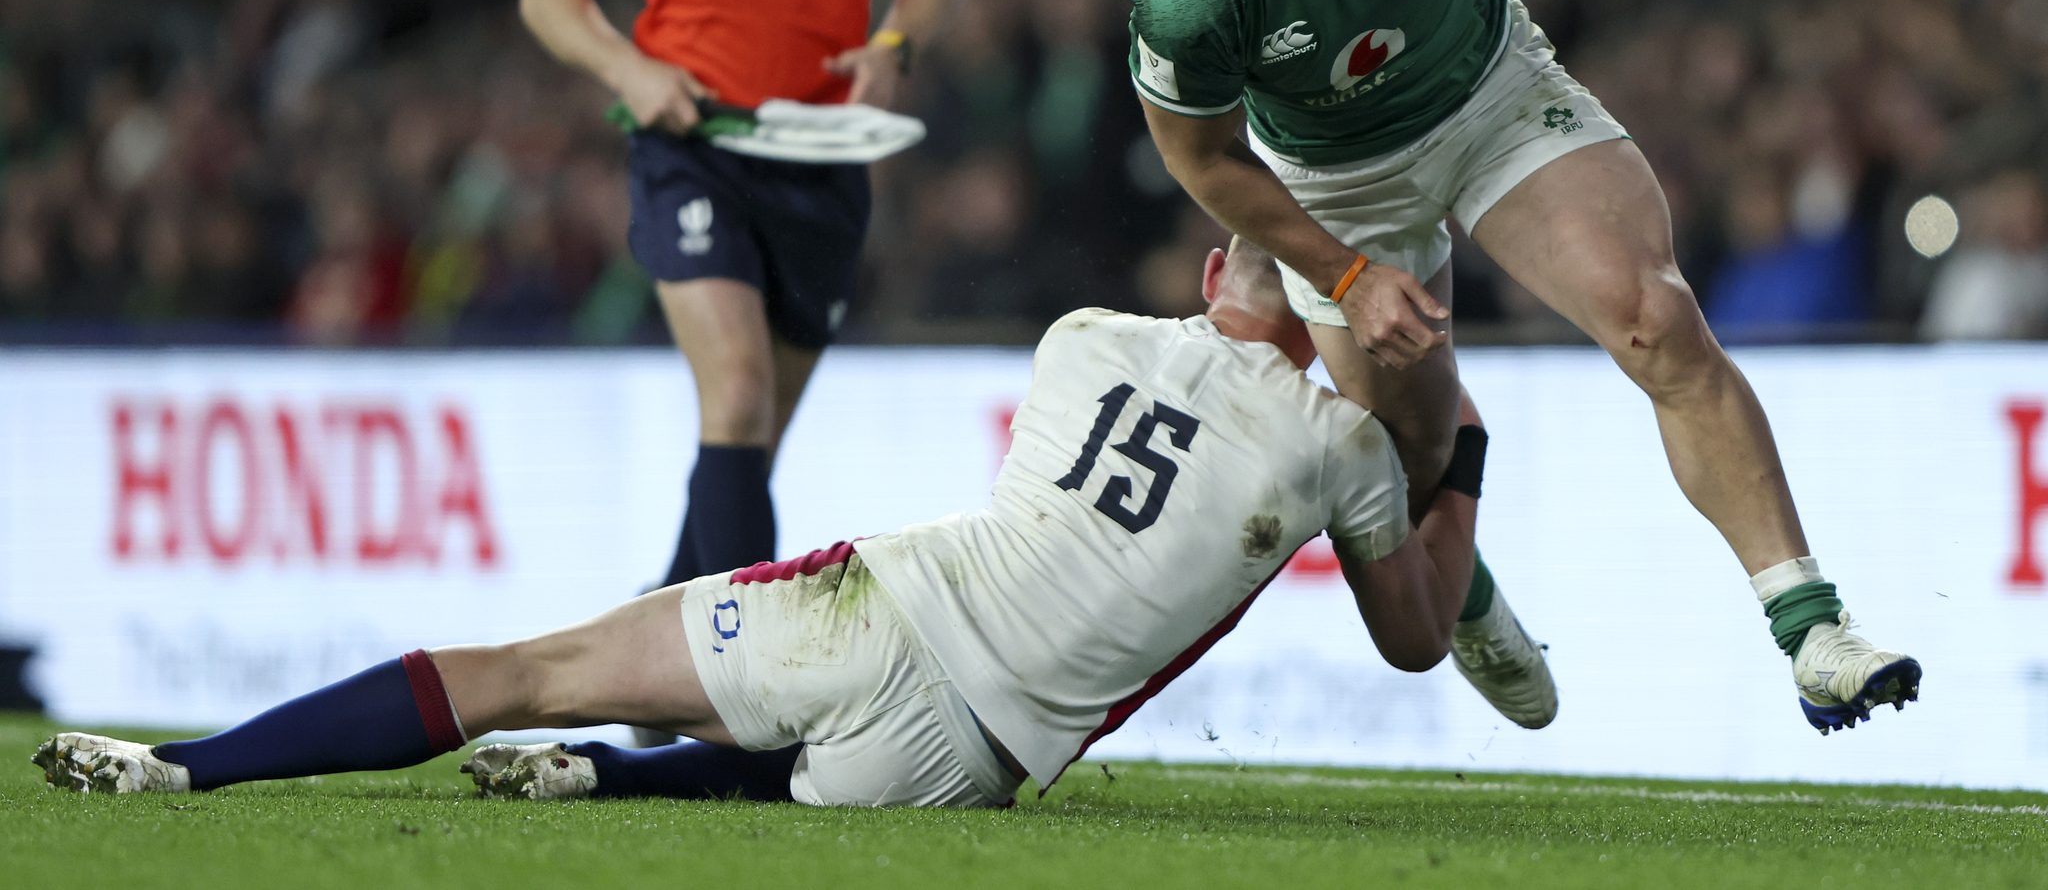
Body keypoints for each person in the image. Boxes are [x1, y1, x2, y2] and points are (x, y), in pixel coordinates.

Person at [41, 240, 1492, 807]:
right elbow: (1420, 641)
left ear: (1214, 262)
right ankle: (604, 786)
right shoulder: (1343, 451)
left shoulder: (1084, 335)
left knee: (532, 663)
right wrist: (1460, 459)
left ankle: (185, 775)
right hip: (972, 757)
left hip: (881, 607)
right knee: (786, 798)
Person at [1127, 0, 1920, 731]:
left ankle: (1811, 632)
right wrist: (1341, 277)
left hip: (1491, 101)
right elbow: (1199, 159)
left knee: (1654, 319)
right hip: (1334, 183)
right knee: (1408, 559)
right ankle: (1459, 571)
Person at [517, 0, 968, 604]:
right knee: (737, 392)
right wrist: (628, 69)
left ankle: (655, 626)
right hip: (693, 147)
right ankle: (724, 687)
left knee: (747, 438)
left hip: (824, 156)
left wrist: (895, 42)